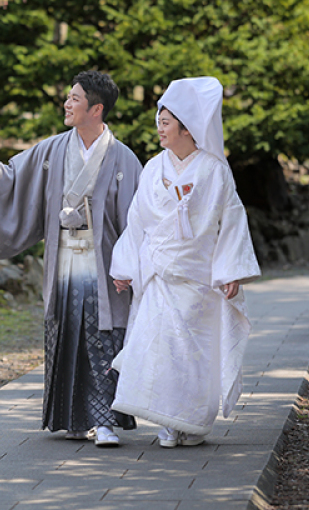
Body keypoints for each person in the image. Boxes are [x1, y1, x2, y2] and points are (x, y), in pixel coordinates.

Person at [0, 70, 142, 446]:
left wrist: (129, 266)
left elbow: (136, 220)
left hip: (105, 264)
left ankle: (104, 422)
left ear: (96, 109)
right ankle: (74, 419)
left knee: (102, 336)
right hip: (65, 259)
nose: (67, 104)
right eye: (68, 97)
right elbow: (11, 176)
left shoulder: (123, 158)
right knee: (68, 332)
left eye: (74, 99)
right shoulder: (52, 149)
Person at [110, 76, 260, 448]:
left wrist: (231, 271)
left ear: (186, 127)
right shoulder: (153, 168)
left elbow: (231, 220)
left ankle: (190, 422)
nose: (159, 129)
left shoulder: (213, 169)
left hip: (199, 275)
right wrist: (126, 266)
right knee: (161, 349)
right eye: (159, 122)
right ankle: (167, 422)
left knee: (194, 352)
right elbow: (137, 222)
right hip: (160, 274)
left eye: (165, 123)